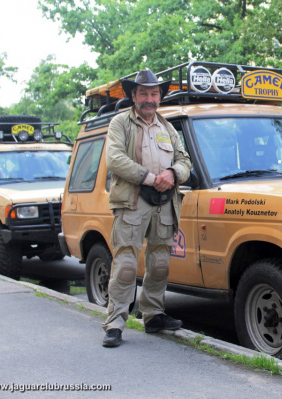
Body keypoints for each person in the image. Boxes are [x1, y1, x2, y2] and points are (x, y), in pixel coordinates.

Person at [102, 68, 192, 347]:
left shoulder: (167, 127)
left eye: (154, 93)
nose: (150, 99)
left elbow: (185, 161)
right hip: (132, 202)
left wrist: (173, 174)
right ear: (133, 95)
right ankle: (115, 324)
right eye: (144, 93)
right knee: (126, 264)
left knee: (160, 263)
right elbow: (114, 159)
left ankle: (153, 315)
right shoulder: (120, 122)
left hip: (164, 204)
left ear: (160, 97)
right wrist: (152, 178)